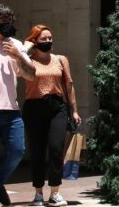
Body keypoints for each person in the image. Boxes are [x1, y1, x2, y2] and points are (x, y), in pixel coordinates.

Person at [22, 24, 82, 207]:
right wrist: (25, 51)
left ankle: (55, 192)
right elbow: (21, 73)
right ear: (34, 41)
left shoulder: (61, 60)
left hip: (57, 107)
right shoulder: (28, 61)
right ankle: (38, 193)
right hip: (34, 107)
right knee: (37, 150)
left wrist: (74, 110)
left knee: (56, 148)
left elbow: (69, 86)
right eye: (43, 39)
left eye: (50, 38)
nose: (48, 41)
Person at [0, 4, 35, 207]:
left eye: (11, 23)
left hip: (10, 110)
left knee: (17, 150)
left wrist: (18, 56)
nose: (9, 27)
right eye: (4, 24)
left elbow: (31, 75)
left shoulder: (15, 44)